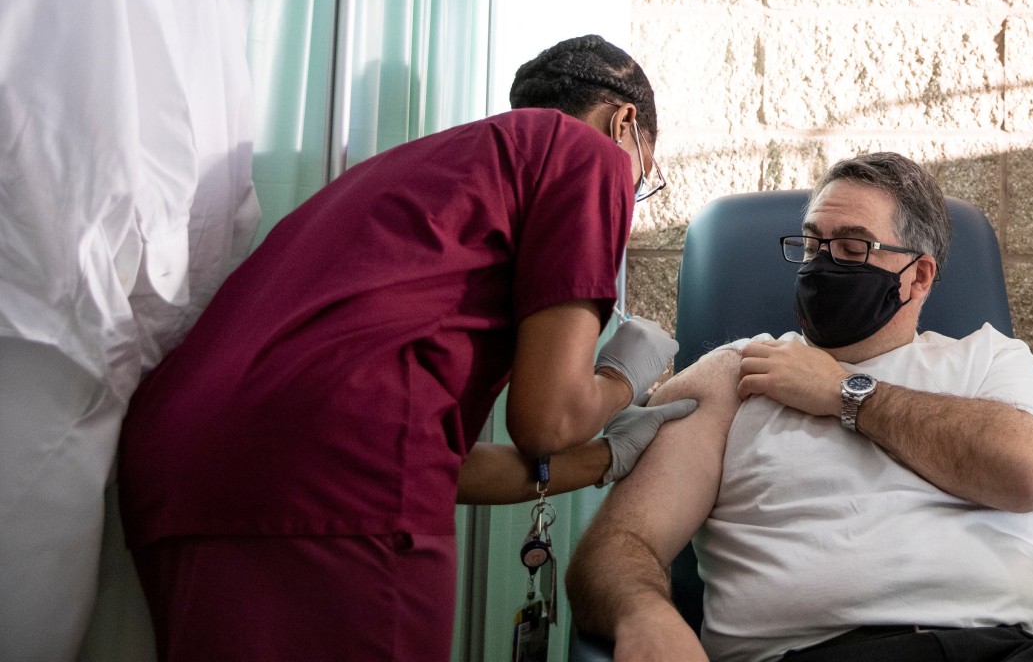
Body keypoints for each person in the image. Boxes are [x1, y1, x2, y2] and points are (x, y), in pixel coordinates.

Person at [116, 34, 695, 661]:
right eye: (641, 182)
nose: (627, 204)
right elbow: (547, 420)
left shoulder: (425, 174)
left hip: (178, 459)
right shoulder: (585, 152)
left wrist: (605, 459)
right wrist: (618, 379)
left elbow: (429, 466)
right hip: (326, 467)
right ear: (624, 122)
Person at [568, 152, 1033, 662]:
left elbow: (1028, 473)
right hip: (819, 652)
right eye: (812, 245)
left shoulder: (989, 360)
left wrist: (844, 394)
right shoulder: (738, 371)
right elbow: (620, 545)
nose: (824, 263)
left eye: (854, 247)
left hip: (1004, 648)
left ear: (918, 276)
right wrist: (641, 613)